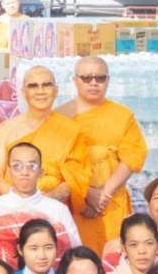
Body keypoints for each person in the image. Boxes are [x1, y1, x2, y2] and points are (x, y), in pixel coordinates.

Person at [57, 56, 146, 250]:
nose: (94, 83)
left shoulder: (122, 115)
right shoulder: (60, 117)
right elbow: (54, 162)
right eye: (87, 78)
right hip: (73, 201)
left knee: (113, 256)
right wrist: (86, 193)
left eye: (100, 78)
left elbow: (132, 157)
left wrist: (104, 193)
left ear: (108, 80)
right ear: (75, 80)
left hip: (111, 200)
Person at [0, 65, 88, 210]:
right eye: (33, 86)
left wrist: (42, 203)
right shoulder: (5, 130)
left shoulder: (70, 130)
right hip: (11, 208)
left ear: (56, 90)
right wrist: (20, 203)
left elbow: (76, 178)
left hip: (55, 208)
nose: (40, 91)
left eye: (46, 85)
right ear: (23, 93)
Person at [0, 142, 75, 272]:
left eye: (32, 166)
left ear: (40, 171)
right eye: (17, 166)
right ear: (8, 171)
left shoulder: (58, 209)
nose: (25, 172)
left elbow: (75, 255)